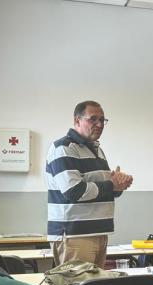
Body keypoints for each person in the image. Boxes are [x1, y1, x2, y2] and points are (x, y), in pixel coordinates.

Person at [46, 100, 133, 267]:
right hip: (75, 235)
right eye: (93, 119)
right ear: (77, 120)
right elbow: (73, 191)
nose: (99, 124)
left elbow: (102, 189)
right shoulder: (64, 148)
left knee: (96, 284)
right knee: (77, 284)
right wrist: (111, 184)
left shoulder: (97, 150)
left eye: (102, 120)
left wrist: (119, 186)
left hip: (99, 232)